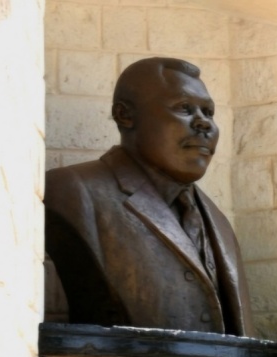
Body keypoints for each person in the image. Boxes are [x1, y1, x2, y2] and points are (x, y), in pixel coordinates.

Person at [45, 57, 254, 335]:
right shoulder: (74, 191)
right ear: (125, 115)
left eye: (209, 112)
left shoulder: (218, 223)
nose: (203, 124)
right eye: (184, 108)